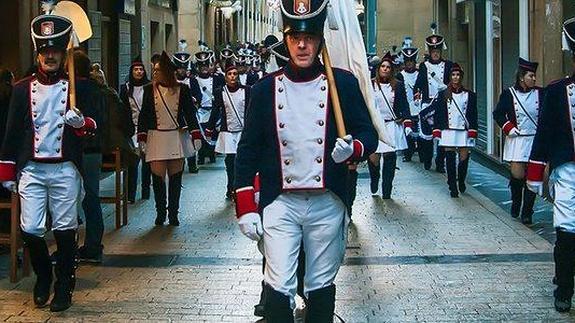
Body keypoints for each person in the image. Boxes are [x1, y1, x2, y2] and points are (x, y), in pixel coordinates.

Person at [233, 0, 378, 320]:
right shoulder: (263, 90)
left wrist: (353, 148)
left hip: (327, 200)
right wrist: (245, 205)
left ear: (320, 41)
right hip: (280, 202)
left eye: (309, 37)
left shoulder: (343, 85)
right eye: (295, 37)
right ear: (285, 40)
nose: (302, 44)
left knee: (320, 283)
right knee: (278, 282)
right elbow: (248, 151)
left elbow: (369, 135)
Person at [0, 14, 98, 311]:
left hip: (65, 168)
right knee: (30, 228)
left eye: (55, 50)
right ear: (38, 53)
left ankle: (64, 286)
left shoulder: (80, 88)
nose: (50, 56)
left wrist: (81, 123)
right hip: (31, 168)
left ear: (64, 51)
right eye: (45, 51)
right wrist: (6, 168)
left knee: (66, 229)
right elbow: (12, 131)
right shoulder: (20, 88)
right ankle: (43, 276)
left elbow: (95, 129)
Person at [527, 17, 575, 313]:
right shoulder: (557, 90)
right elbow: (544, 132)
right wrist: (535, 172)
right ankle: (565, 289)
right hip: (567, 171)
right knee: (568, 229)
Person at [137, 52, 202, 226]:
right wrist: (141, 136)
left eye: (158, 70)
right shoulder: (148, 89)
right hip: (156, 137)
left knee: (175, 178)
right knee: (157, 178)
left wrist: (196, 134)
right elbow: (144, 115)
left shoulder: (183, 89)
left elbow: (190, 113)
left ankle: (173, 213)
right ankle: (160, 212)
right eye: (154, 70)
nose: (155, 73)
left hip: (176, 136)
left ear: (167, 71)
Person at [493, 58, 541, 224]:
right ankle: (516, 201)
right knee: (517, 175)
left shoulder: (541, 93)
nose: (534, 79)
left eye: (534, 76)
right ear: (522, 77)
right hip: (518, 139)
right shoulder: (509, 94)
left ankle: (527, 211)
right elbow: (498, 114)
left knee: (533, 177)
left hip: (535, 140)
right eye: (531, 76)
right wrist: (509, 128)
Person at [74, 51, 107, 263]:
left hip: (79, 149)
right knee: (90, 195)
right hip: (93, 149)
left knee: (76, 197)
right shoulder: (98, 89)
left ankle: (81, 244)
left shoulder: (75, 89)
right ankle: (93, 242)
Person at [368, 53, 410, 199]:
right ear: (378, 69)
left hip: (391, 125)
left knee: (390, 157)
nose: (385, 69)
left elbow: (404, 104)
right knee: (373, 157)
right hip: (375, 126)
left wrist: (403, 117)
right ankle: (374, 180)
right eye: (383, 67)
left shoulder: (397, 85)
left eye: (388, 67)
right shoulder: (370, 84)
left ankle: (387, 189)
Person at [432, 64, 477, 198]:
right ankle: (452, 186)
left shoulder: (470, 95)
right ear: (450, 77)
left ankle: (461, 180)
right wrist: (437, 129)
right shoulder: (443, 94)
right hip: (448, 130)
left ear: (461, 77)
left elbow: (473, 114)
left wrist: (473, 130)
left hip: (463, 130)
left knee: (463, 158)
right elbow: (438, 113)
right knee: (450, 158)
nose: (455, 77)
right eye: (453, 75)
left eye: (457, 75)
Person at [206, 65, 250, 200]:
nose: (232, 76)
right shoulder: (220, 92)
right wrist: (210, 127)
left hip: (243, 130)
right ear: (225, 76)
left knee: (242, 160)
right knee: (230, 161)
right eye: (230, 74)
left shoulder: (247, 91)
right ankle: (230, 187)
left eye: (235, 74)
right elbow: (215, 110)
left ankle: (242, 187)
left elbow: (252, 110)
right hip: (228, 131)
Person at [414, 27, 454, 173]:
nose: (436, 54)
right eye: (433, 52)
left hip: (442, 104)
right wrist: (417, 96)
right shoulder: (424, 66)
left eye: (438, 52)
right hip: (428, 103)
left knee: (442, 134)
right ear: (430, 52)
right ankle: (427, 158)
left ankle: (440, 162)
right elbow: (418, 84)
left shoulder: (449, 65)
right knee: (427, 135)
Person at [120, 56, 152, 201]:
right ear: (131, 71)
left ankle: (145, 192)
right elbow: (122, 110)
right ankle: (130, 194)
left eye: (141, 69)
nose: (138, 72)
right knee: (132, 163)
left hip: (147, 130)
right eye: (136, 69)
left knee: (147, 163)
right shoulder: (125, 88)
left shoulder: (150, 87)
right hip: (132, 129)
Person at [173, 46, 203, 174]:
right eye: (180, 68)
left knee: (190, 140)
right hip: (176, 116)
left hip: (189, 115)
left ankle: (192, 164)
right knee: (178, 141)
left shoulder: (192, 81)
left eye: (184, 68)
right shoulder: (172, 82)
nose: (182, 71)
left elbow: (199, 96)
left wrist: (194, 100)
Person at [194, 48, 223, 165]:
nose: (204, 69)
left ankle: (211, 154)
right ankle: (201, 155)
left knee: (213, 133)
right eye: (202, 67)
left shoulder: (217, 78)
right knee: (201, 134)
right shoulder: (194, 80)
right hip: (201, 111)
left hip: (214, 110)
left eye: (206, 66)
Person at [396, 45, 420, 162]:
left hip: (419, 107)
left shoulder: (420, 74)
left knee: (420, 131)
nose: (409, 64)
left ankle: (422, 152)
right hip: (405, 108)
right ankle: (408, 153)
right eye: (407, 61)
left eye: (411, 61)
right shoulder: (400, 76)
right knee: (407, 132)